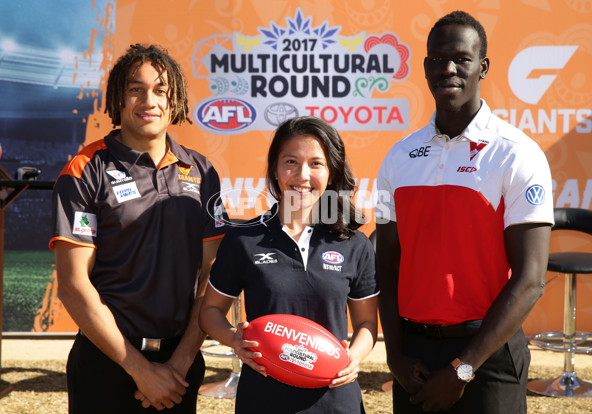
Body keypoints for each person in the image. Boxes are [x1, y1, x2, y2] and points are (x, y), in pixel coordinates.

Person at [375, 10, 554, 414]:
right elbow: (386, 264)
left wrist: (463, 368)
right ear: (424, 67)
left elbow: (530, 280)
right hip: (415, 358)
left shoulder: (516, 153)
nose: (448, 68)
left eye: (461, 58)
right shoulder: (399, 157)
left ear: (483, 67)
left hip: (488, 354)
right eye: (437, 59)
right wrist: (395, 356)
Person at [50, 44, 228, 413]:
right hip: (106, 363)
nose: (149, 100)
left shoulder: (202, 171)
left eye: (160, 90)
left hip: (180, 364)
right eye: (136, 89)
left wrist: (178, 363)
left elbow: (213, 277)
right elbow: (72, 285)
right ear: (119, 98)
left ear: (174, 100)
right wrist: (139, 369)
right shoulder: (86, 168)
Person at [199, 116, 379, 413]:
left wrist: (353, 358)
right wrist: (234, 339)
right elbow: (209, 312)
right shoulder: (244, 239)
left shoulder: (354, 243)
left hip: (335, 400)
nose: (302, 175)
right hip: (264, 399)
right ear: (274, 169)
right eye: (291, 162)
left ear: (332, 173)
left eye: (316, 164)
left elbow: (367, 324)